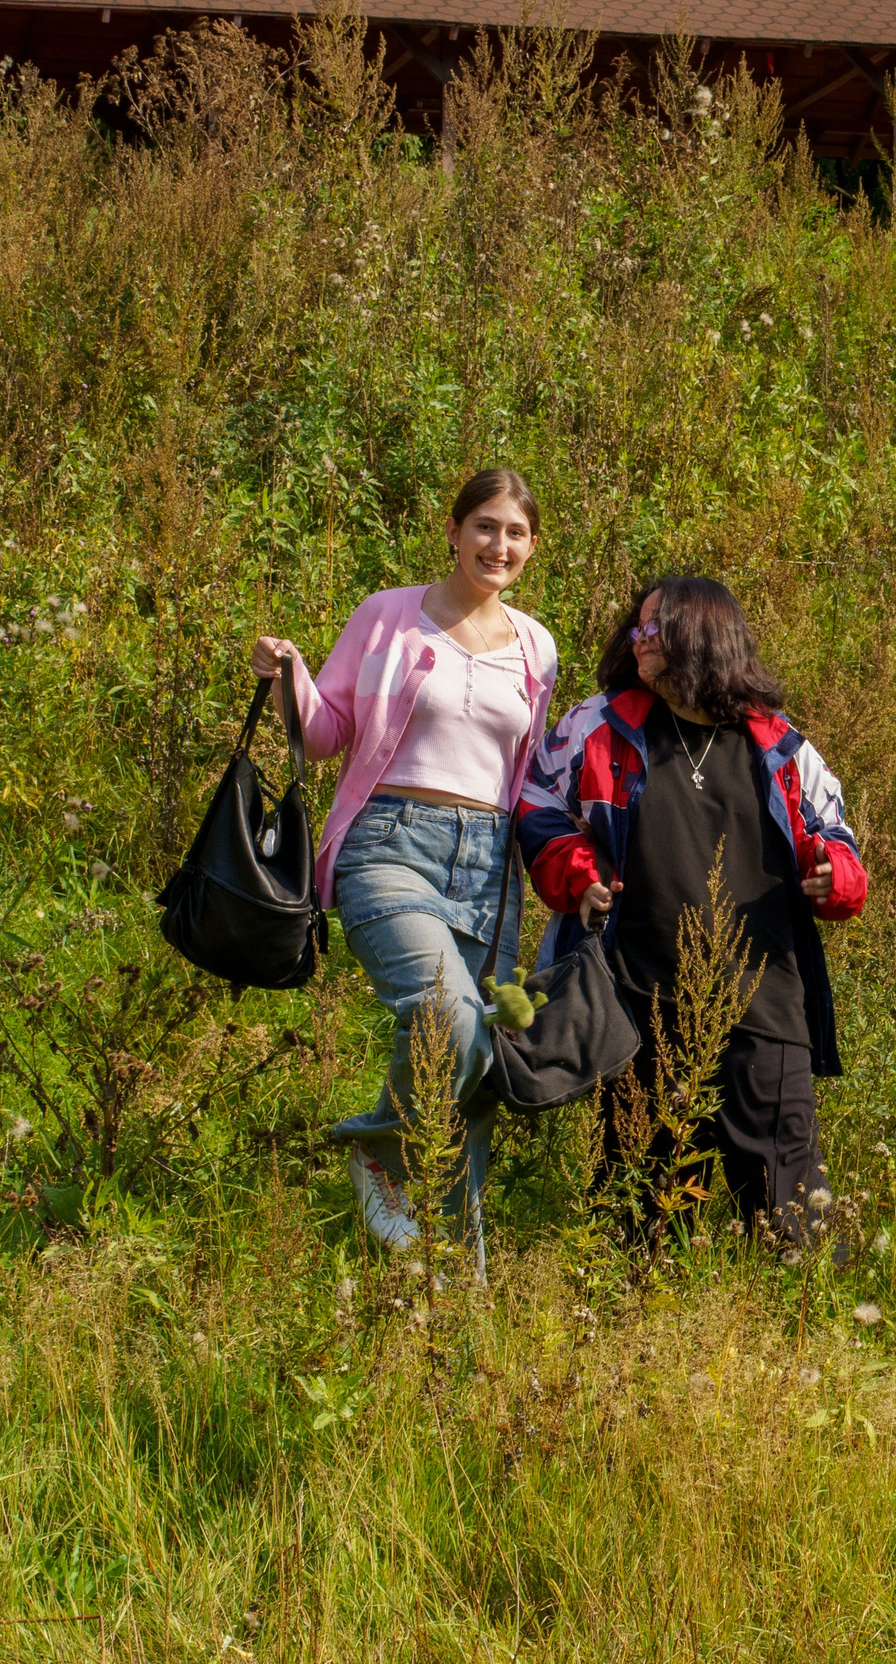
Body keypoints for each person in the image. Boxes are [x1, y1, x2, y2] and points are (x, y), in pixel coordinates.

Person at [249, 470, 557, 1255]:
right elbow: (325, 735)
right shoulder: (388, 615)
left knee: (482, 1061)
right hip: (390, 842)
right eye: (485, 526)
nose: (500, 544)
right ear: (450, 530)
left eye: (516, 532)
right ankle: (377, 1149)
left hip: (490, 865)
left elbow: (527, 773)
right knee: (446, 1015)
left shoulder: (536, 646)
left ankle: (451, 1272)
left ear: (531, 547)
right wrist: (290, 676)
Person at [517, 576, 868, 1238]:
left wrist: (834, 876)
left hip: (764, 997)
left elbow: (836, 838)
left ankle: (806, 1322)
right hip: (636, 996)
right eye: (638, 627)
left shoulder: (777, 744)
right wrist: (581, 874)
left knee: (789, 1196)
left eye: (656, 628)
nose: (638, 639)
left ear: (703, 636)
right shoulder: (600, 724)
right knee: (634, 1197)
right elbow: (539, 808)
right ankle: (628, 1324)